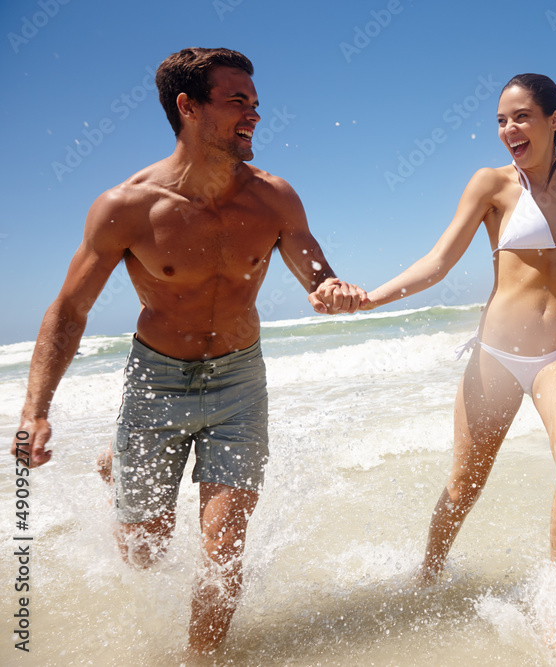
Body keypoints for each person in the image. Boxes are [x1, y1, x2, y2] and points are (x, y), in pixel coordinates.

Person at [10, 47, 364, 655]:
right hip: (157, 381)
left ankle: (204, 660)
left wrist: (330, 289)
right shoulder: (128, 206)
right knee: (144, 552)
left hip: (239, 381)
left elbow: (316, 273)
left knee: (225, 543)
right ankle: (115, 464)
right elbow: (69, 311)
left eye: (254, 102)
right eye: (237, 102)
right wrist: (36, 409)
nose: (254, 114)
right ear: (188, 107)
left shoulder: (275, 198)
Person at [314, 73, 556, 583]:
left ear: (553, 121)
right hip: (499, 355)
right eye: (501, 121)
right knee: (465, 484)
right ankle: (428, 575)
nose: (509, 129)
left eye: (521, 117)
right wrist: (369, 299)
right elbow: (439, 261)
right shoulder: (491, 184)